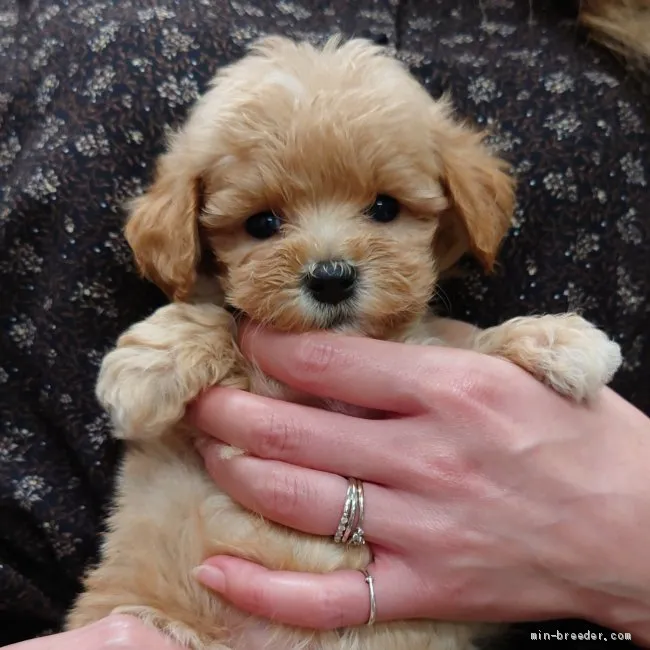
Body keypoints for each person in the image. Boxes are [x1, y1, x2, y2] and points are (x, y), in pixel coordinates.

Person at [0, 0, 648, 648]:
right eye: (262, 224)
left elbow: (471, 386)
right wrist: (189, 336)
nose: (330, 262)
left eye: (384, 207)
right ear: (190, 226)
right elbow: (139, 409)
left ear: (457, 202)